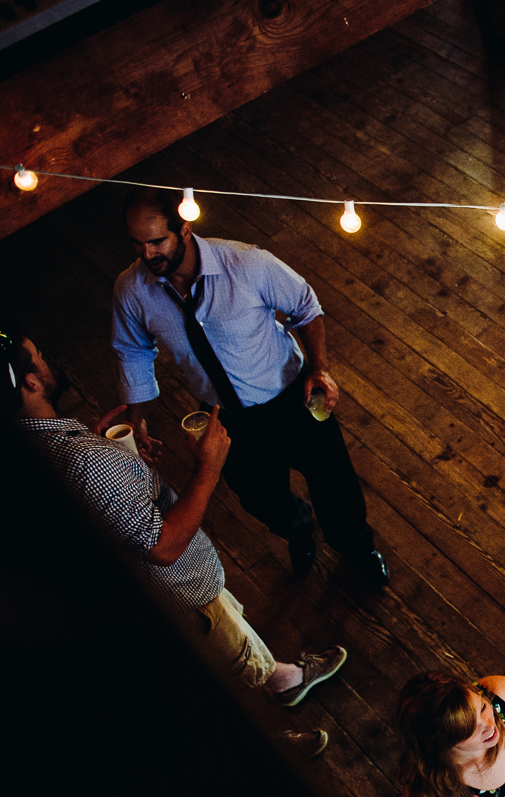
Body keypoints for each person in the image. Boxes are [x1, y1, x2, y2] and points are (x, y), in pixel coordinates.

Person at [0, 324, 346, 743]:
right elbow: (164, 546)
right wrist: (209, 466)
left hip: (145, 596)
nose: (46, 358)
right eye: (38, 354)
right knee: (228, 668)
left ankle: (286, 681)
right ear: (32, 381)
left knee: (236, 640)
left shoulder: (29, 448)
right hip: (180, 592)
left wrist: (107, 456)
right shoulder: (83, 464)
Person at [109, 187, 388, 587]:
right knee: (260, 498)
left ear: (185, 229)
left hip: (290, 395)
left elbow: (306, 306)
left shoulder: (246, 262)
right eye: (137, 244)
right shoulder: (131, 290)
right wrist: (137, 420)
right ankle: (297, 527)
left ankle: (356, 547)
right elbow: (132, 350)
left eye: (157, 241)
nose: (147, 254)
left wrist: (320, 369)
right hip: (222, 417)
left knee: (335, 485)